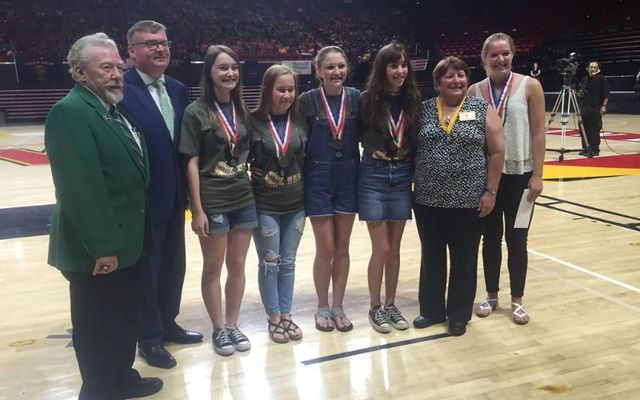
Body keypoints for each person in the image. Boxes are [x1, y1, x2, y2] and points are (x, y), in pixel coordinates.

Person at [45, 33, 162, 399]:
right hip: (98, 249)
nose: (116, 74)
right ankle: (98, 390)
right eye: (105, 67)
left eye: (118, 67)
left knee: (124, 316)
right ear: (80, 73)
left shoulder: (110, 108)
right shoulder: (70, 112)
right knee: (97, 325)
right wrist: (104, 247)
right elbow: (80, 190)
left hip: (128, 240)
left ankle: (121, 377)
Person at [120, 19, 202, 370]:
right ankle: (149, 339)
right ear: (131, 52)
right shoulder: (120, 88)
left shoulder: (179, 89)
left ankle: (168, 324)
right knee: (148, 273)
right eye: (150, 43)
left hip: (174, 200)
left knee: (173, 268)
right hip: (141, 202)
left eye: (164, 42)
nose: (159, 48)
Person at [413, 56, 504, 336]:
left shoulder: (482, 109)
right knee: (432, 257)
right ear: (438, 83)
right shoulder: (425, 109)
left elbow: (497, 152)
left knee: (464, 258)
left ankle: (458, 314)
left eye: (461, 75)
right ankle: (431, 310)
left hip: (468, 201)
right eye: (449, 76)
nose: (456, 81)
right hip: (428, 201)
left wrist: (490, 192)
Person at [179, 45, 256, 356]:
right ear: (209, 73)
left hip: (243, 197)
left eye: (234, 68)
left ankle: (233, 324)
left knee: (237, 266)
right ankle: (218, 328)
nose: (230, 73)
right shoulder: (195, 112)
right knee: (213, 268)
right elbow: (191, 164)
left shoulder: (242, 110)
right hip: (213, 202)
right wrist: (197, 209)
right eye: (223, 68)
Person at [468, 32, 545, 325]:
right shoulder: (475, 91)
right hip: (489, 179)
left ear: (513, 54)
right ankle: (491, 295)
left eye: (505, 53)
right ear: (484, 59)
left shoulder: (530, 86)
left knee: (518, 240)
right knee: (489, 239)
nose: (500, 59)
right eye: (493, 55)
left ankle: (517, 300)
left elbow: (539, 133)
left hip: (521, 177)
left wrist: (537, 175)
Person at [358, 42, 420, 334]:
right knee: (381, 248)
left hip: (402, 174)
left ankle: (391, 304)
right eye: (393, 65)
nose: (400, 71)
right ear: (382, 68)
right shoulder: (366, 99)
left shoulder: (413, 99)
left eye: (404, 65)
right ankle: (374, 306)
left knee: (394, 249)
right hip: (373, 174)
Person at [298, 46, 360, 332]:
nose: (336, 72)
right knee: (326, 248)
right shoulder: (306, 101)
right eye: (330, 67)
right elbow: (295, 142)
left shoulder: (357, 98)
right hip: (318, 177)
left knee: (343, 247)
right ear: (318, 71)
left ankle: (338, 306)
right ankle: (322, 306)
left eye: (341, 66)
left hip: (349, 175)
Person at [249, 64, 307, 343]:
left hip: (296, 204)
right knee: (270, 263)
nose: (286, 95)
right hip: (265, 206)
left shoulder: (300, 121)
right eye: (281, 89)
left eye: (291, 89)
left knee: (289, 263)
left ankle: (286, 314)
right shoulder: (253, 122)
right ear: (268, 91)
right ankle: (273, 318)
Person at [578, 61, 610, 157]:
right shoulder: (584, 79)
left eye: (594, 67)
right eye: (591, 67)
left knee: (594, 129)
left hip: (595, 108)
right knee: (584, 129)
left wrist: (604, 106)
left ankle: (594, 149)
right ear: (588, 68)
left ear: (598, 69)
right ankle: (586, 148)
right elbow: (581, 93)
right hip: (584, 108)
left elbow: (606, 94)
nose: (592, 69)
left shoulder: (602, 79)